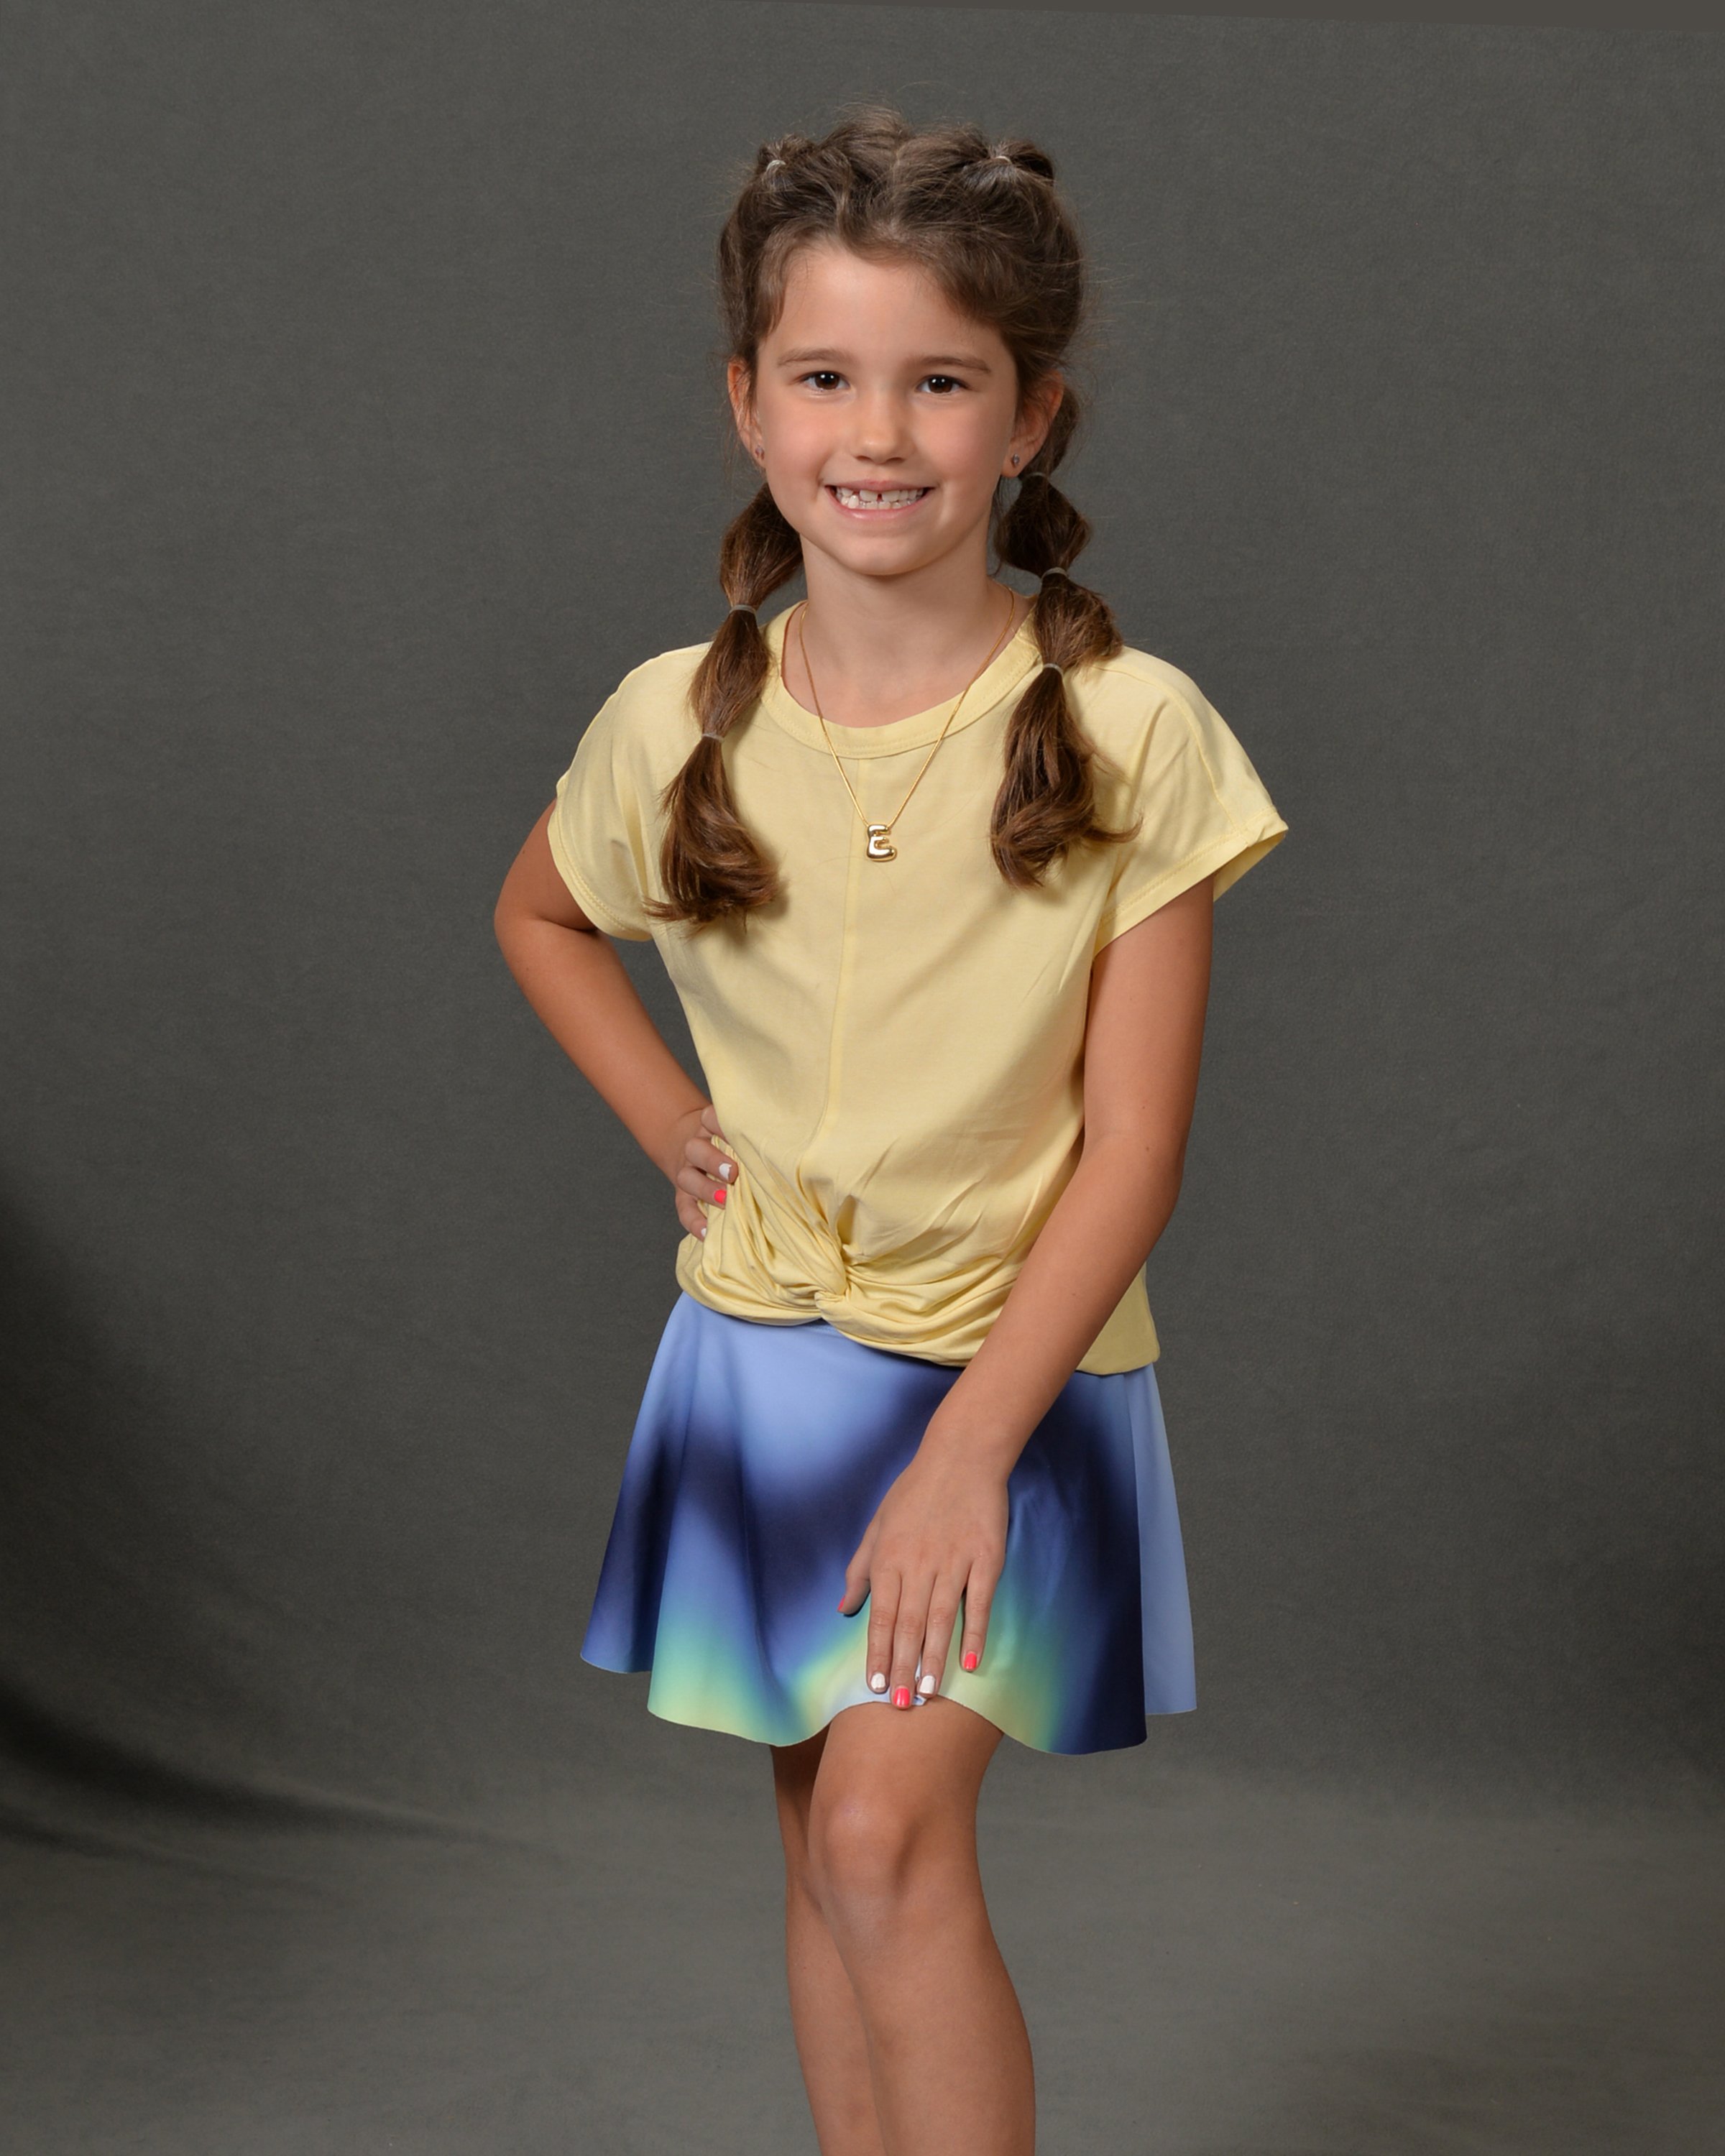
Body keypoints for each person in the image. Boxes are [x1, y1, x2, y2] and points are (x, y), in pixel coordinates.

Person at [494, 109, 1286, 2156]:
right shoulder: (676, 717)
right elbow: (541, 914)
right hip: (758, 1365)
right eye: (827, 375)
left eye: (941, 381)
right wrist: (675, 1121)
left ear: (1030, 417)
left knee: (881, 1836)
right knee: (822, 1858)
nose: (877, 432)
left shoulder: (1131, 732)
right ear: (748, 403)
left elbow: (1134, 1156)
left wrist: (965, 1458)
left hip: (1007, 1381)